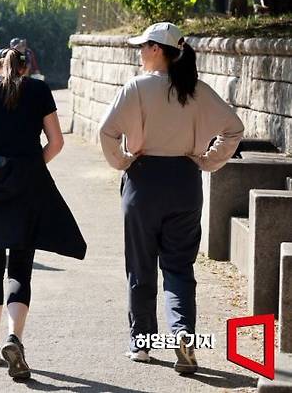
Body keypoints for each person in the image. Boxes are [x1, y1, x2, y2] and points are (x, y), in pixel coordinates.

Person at [98, 22, 244, 373]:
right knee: (179, 267)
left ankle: (143, 342)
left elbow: (107, 132)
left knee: (141, 265)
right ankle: (183, 335)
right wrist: (208, 161)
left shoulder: (136, 88)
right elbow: (234, 129)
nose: (139, 51)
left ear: (157, 50)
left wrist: (123, 161)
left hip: (143, 181)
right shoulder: (197, 90)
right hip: (184, 181)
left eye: (143, 45)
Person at [0, 49, 87, 379]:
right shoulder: (39, 90)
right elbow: (55, 143)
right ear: (25, 68)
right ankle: (15, 338)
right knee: (20, 267)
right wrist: (31, 166)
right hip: (28, 187)